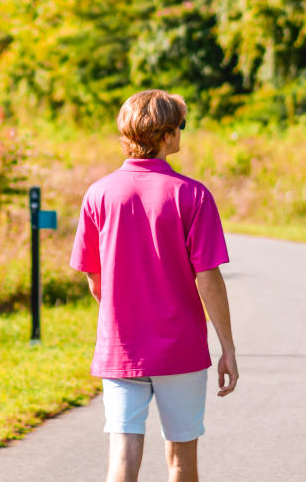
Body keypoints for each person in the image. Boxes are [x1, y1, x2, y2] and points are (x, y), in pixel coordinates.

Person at [71, 89, 239, 482]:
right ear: (165, 136)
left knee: (123, 456)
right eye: (181, 126)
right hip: (180, 350)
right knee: (181, 460)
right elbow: (208, 277)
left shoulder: (98, 195)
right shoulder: (192, 195)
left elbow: (93, 277)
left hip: (121, 348)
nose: (182, 133)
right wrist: (227, 345)